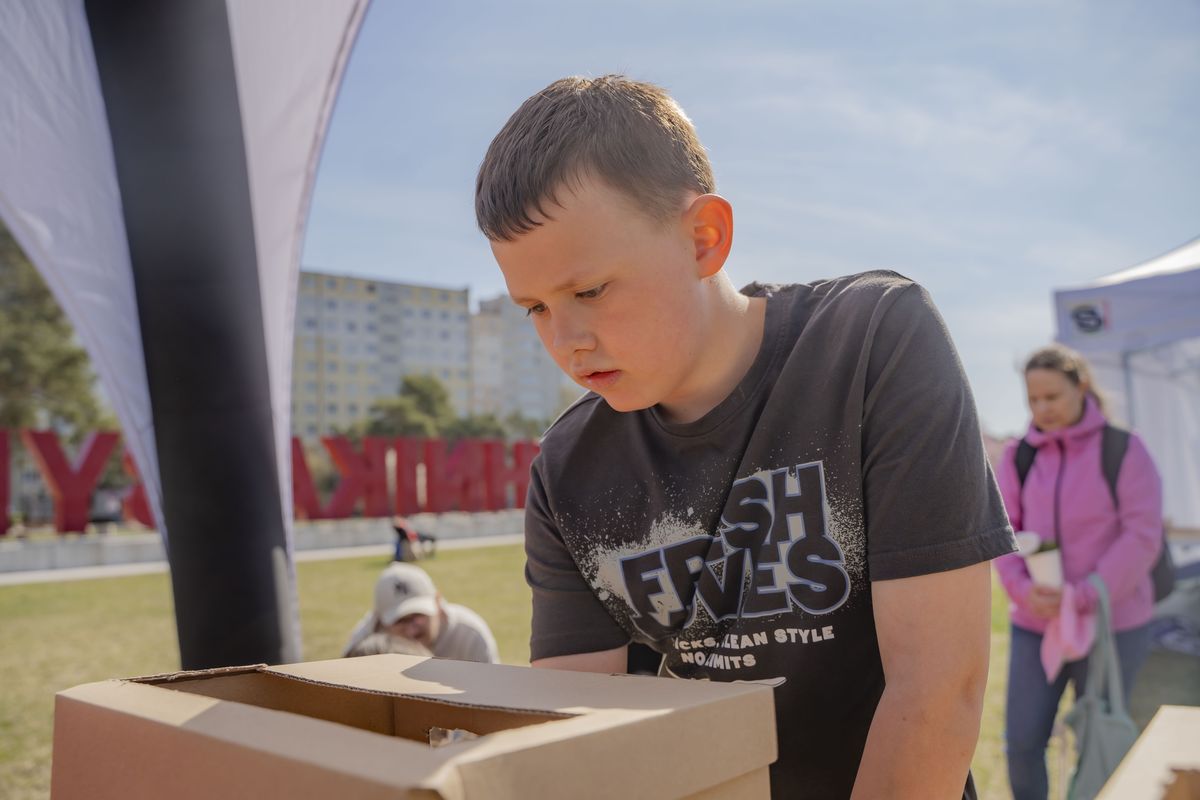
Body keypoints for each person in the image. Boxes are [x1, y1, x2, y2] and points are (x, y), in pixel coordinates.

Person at [475, 75, 1016, 799]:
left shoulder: (872, 343)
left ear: (704, 238)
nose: (566, 340)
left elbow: (939, 691)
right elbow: (579, 734)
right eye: (535, 308)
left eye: (590, 291)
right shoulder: (568, 469)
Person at [994, 344, 1162, 800]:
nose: (1042, 408)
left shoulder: (1124, 449)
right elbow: (1002, 531)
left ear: (1081, 386)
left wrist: (1085, 594)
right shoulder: (1017, 456)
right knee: (1022, 744)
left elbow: (1142, 534)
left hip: (1112, 625)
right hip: (1036, 623)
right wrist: (1022, 590)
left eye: (1052, 396)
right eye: (1033, 399)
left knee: (1099, 743)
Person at [343, 562, 500, 664]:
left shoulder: (470, 635)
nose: (412, 630)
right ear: (380, 621)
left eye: (418, 615)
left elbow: (492, 692)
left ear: (438, 603)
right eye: (400, 620)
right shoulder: (363, 646)